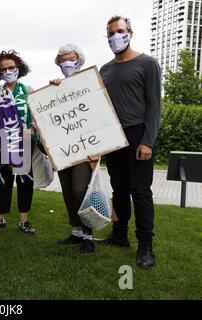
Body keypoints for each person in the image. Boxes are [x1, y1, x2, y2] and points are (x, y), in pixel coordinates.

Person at [99, 16, 161, 267]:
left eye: (120, 31)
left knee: (141, 191)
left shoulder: (148, 63)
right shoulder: (104, 70)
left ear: (130, 33)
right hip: (114, 137)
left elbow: (155, 106)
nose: (116, 36)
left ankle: (146, 245)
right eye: (111, 33)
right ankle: (119, 234)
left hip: (138, 135)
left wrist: (147, 141)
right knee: (119, 190)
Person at [49, 44, 99, 254]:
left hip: (86, 149)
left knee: (80, 190)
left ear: (79, 60)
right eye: (62, 60)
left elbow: (99, 115)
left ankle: (89, 236)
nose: (66, 63)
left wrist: (99, 148)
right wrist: (52, 91)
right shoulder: (57, 87)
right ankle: (76, 232)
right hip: (64, 149)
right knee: (69, 192)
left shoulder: (90, 84)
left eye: (70, 59)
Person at [0, 50, 38, 234]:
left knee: (25, 181)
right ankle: (0, 217)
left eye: (11, 67)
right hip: (3, 144)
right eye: (3, 69)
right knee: (3, 180)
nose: (8, 71)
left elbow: (35, 115)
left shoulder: (28, 90)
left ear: (18, 68)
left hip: (24, 142)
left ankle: (24, 220)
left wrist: (32, 128)